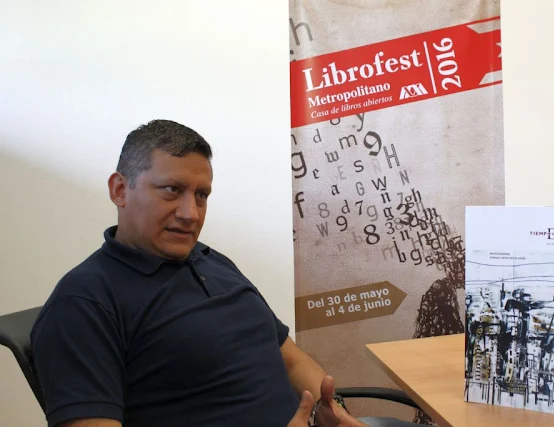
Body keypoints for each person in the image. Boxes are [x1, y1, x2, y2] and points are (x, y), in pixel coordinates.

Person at [30, 120, 416, 427]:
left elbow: (291, 360)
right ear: (119, 189)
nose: (191, 214)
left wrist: (331, 411)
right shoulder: (83, 302)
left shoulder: (211, 262)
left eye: (201, 195)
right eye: (171, 190)